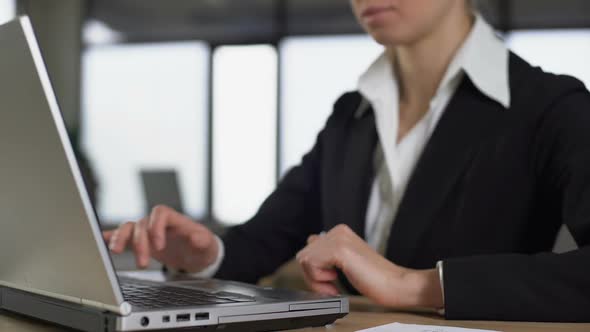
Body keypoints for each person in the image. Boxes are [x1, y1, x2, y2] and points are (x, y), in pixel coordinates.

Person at [104, 0, 590, 322]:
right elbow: (264, 240)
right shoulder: (350, 116)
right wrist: (204, 255)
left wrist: (414, 285)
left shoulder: (550, 106)